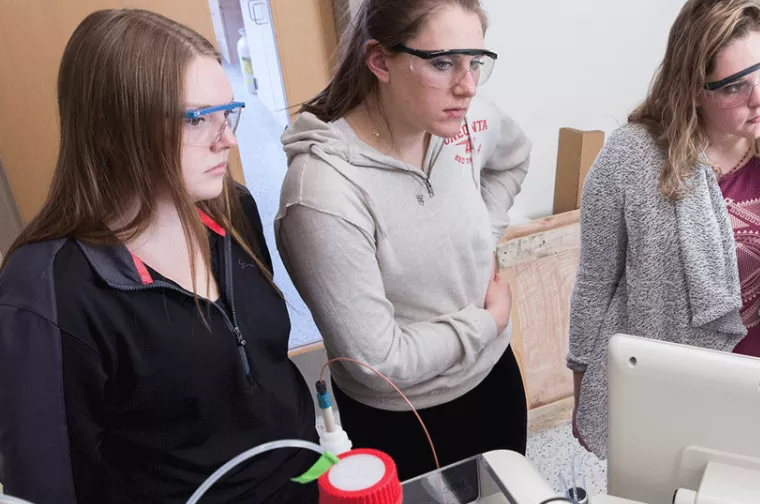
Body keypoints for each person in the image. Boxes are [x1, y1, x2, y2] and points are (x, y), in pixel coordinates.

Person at [0, 9, 319, 503]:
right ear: (114, 131)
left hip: (305, 481)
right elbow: (50, 487)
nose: (228, 139)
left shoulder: (232, 208)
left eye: (226, 112)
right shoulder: (48, 292)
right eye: (198, 118)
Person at [568, 0, 760, 456]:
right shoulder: (630, 158)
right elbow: (597, 282)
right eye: (735, 86)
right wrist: (584, 387)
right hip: (666, 389)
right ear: (694, 89)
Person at [276, 0, 532, 480]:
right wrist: (486, 321)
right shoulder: (323, 193)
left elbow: (514, 157)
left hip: (493, 380)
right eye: (442, 63)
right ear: (379, 61)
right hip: (406, 419)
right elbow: (378, 362)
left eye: (475, 61)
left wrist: (484, 230)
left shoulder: (464, 122)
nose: (468, 85)